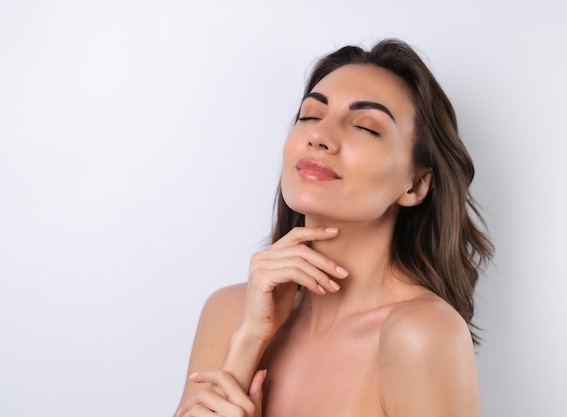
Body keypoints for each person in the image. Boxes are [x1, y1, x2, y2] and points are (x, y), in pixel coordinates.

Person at [174, 38, 493, 417]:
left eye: (365, 127)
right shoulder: (229, 313)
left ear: (415, 184)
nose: (319, 136)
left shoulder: (421, 334)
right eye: (310, 116)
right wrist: (248, 341)